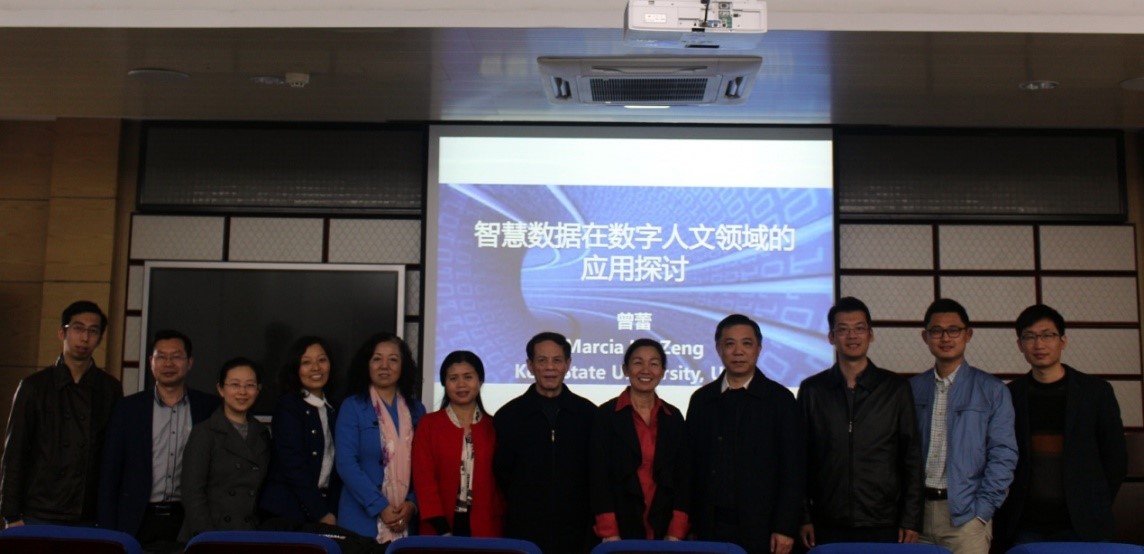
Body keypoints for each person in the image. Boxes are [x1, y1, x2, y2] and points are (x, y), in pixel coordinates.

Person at [996, 304, 1127, 546]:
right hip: (1025, 523)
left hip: (1083, 523)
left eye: (1047, 335)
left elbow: (1116, 457)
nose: (1039, 344)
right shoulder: (1010, 395)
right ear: (1020, 345)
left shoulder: (1095, 392)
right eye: (1029, 337)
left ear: (1063, 341)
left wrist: (1095, 503)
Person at [798, 297, 923, 549]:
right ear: (831, 337)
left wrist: (911, 519)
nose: (852, 336)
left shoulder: (895, 388)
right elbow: (799, 458)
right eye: (843, 329)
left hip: (883, 522)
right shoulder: (813, 389)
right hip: (826, 522)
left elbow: (911, 457)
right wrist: (803, 517)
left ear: (870, 334)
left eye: (859, 328)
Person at [687, 314, 804, 554]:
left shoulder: (780, 400)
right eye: (730, 344)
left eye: (747, 343)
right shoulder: (702, 400)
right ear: (719, 349)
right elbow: (690, 466)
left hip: (763, 529)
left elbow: (793, 469)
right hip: (709, 526)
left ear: (759, 348)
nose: (738, 351)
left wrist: (785, 527)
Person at [1, 300, 122, 528]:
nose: (84, 338)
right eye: (78, 328)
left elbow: (113, 454)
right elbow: (14, 453)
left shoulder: (110, 389)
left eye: (93, 331)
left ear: (100, 338)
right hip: (38, 509)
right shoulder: (34, 386)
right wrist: (11, 514)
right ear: (62, 333)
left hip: (87, 512)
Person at [909, 298, 1017, 554]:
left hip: (966, 517)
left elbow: (1004, 454)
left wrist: (982, 512)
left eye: (954, 330)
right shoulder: (912, 389)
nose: (945, 337)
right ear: (925, 337)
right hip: (916, 516)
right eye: (937, 331)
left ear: (968, 334)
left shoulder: (992, 390)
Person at [98, 330, 219, 550]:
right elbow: (110, 471)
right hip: (137, 518)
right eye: (161, 356)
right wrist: (108, 529)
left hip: (188, 518)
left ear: (189, 362)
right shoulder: (128, 409)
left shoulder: (208, 408)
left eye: (176, 356)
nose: (168, 363)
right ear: (151, 362)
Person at [493, 331, 596, 554]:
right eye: (542, 360)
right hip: (523, 532)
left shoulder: (589, 415)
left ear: (567, 364)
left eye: (557, 360)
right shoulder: (508, 416)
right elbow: (502, 474)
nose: (550, 367)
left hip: (578, 534)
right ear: (530, 366)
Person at [589, 338, 689, 542]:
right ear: (625, 369)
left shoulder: (674, 417)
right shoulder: (605, 415)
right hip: (618, 528)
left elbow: (685, 476)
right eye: (637, 363)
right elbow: (598, 476)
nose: (646, 370)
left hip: (666, 527)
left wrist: (676, 531)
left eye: (654, 364)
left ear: (662, 372)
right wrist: (610, 533)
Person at [335, 333, 426, 544]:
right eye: (377, 359)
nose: (384, 366)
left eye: (393, 359)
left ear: (403, 366)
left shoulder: (417, 411)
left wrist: (412, 504)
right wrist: (380, 506)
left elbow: (424, 467)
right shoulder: (352, 407)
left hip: (406, 521)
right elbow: (346, 464)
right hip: (360, 520)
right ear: (367, 365)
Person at [412, 350, 503, 537]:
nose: (461, 384)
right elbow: (424, 478)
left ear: (480, 380)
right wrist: (441, 527)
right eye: (453, 378)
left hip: (486, 525)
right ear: (444, 383)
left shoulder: (495, 426)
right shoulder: (428, 424)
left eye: (468, 377)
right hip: (438, 526)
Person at [181, 357, 272, 537]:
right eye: (235, 385)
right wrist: (209, 538)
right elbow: (192, 493)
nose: (242, 392)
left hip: (250, 534)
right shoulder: (204, 432)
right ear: (221, 389)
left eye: (250, 385)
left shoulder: (262, 433)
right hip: (210, 534)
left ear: (258, 389)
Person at [259, 336, 342, 526]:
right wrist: (321, 513)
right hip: (288, 511)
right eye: (306, 362)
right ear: (295, 368)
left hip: (325, 509)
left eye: (322, 360)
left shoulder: (335, 408)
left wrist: (332, 511)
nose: (316, 368)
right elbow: (293, 465)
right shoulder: (288, 406)